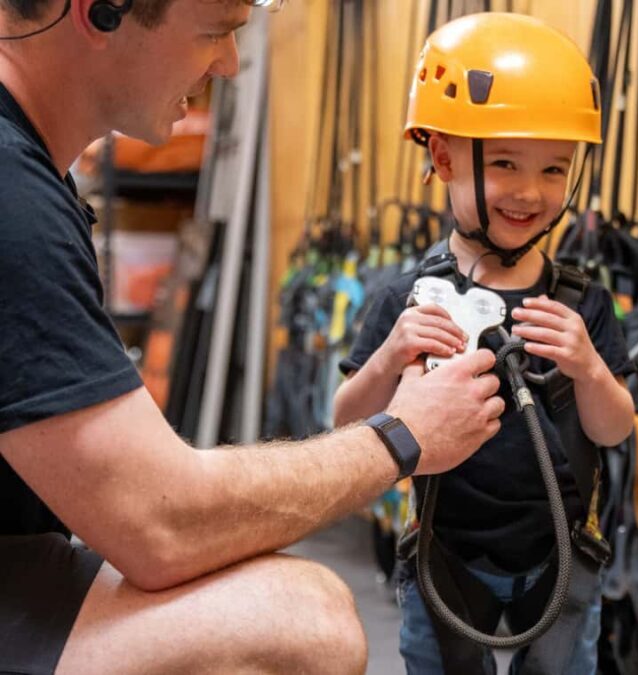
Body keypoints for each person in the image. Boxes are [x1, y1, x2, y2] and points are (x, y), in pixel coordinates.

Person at [0, 1, 506, 673]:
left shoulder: (36, 174)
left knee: (308, 609)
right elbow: (159, 522)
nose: (230, 64)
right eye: (215, 32)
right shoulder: (14, 201)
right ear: (103, 12)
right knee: (298, 633)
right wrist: (403, 435)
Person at [333, 13, 636, 675]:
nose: (531, 191)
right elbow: (347, 424)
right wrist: (390, 356)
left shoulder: (580, 302)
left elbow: (613, 430)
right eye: (504, 163)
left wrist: (588, 368)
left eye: (554, 168)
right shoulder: (408, 299)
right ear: (443, 157)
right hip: (445, 555)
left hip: (560, 559)